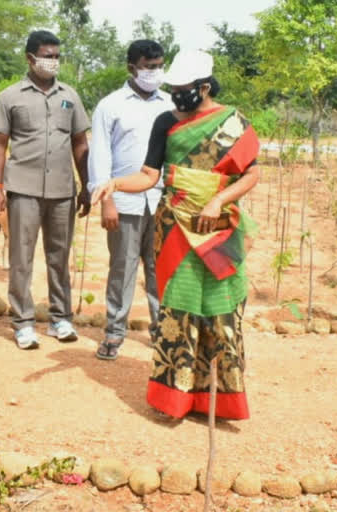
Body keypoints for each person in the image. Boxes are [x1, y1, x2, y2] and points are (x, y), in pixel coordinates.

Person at [92, 50, 260, 420]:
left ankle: (217, 397)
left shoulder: (234, 122)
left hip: (218, 227)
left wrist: (219, 200)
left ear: (204, 87)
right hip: (175, 232)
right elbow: (150, 175)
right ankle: (176, 398)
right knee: (178, 310)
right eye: (175, 87)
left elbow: (251, 174)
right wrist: (116, 183)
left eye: (185, 88)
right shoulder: (165, 122)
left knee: (220, 311)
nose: (177, 94)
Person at [0, 30, 91, 350]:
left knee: (59, 256)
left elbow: (80, 143)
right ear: (30, 58)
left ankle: (61, 318)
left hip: (62, 189)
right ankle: (23, 322)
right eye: (47, 56)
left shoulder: (70, 96)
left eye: (57, 56)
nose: (53, 62)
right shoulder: (10, 96)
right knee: (21, 258)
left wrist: (87, 185)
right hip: (23, 188)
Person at [87, 40, 174, 361]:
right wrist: (106, 200)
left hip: (162, 200)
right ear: (131, 68)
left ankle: (163, 331)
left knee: (160, 269)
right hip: (123, 200)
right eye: (148, 66)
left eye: (158, 66)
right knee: (122, 269)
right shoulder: (111, 106)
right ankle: (114, 333)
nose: (154, 72)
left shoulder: (170, 104)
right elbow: (99, 157)